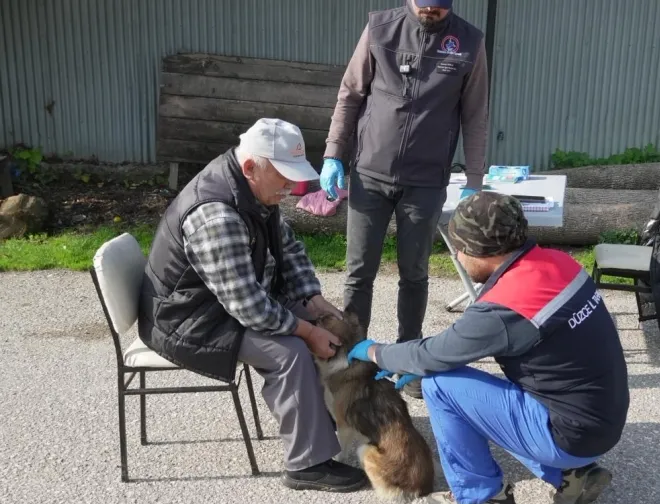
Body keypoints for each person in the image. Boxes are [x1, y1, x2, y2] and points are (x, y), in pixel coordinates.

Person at [346, 192, 630, 504]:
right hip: (605, 419)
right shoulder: (559, 263)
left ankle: (483, 496)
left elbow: (433, 355)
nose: (457, 256)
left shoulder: (505, 306)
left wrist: (374, 351)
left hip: (571, 438)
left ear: (476, 250)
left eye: (458, 249)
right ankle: (571, 476)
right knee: (478, 391)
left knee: (440, 385)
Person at [137, 118, 368, 493]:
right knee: (290, 351)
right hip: (190, 321)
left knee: (322, 322)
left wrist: (312, 298)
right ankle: (307, 465)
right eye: (285, 177)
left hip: (219, 304)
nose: (293, 188)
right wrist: (307, 330)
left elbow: (287, 246)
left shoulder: (254, 189)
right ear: (250, 167)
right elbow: (248, 307)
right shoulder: (215, 213)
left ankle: (317, 420)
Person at [320, 0, 490, 399]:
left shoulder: (469, 42)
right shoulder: (381, 29)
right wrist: (332, 154)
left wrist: (475, 179)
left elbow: (476, 115)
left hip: (426, 181)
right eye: (424, 5)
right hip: (370, 173)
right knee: (359, 272)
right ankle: (355, 357)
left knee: (414, 273)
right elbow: (350, 95)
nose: (430, 12)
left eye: (439, 7)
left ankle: (408, 362)